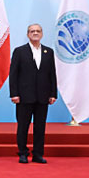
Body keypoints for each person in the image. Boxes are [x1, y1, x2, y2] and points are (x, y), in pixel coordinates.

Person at [8, 24, 57, 164]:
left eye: (38, 31)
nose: (35, 33)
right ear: (28, 34)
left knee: (40, 127)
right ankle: (23, 153)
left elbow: (52, 74)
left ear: (42, 34)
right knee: (23, 126)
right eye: (32, 31)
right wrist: (14, 94)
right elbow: (13, 74)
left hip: (43, 96)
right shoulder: (19, 51)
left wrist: (53, 93)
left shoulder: (49, 52)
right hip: (23, 97)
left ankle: (38, 154)